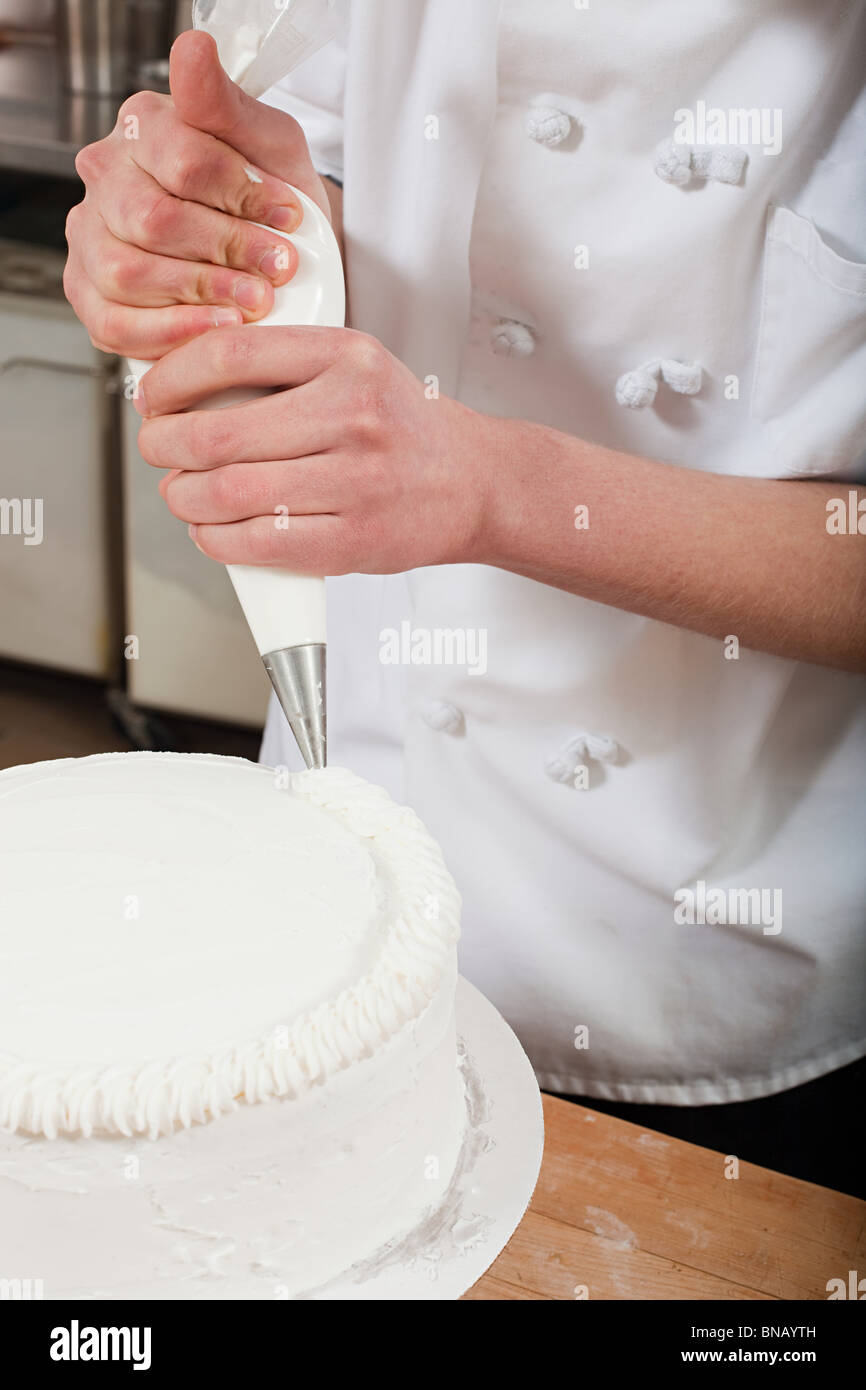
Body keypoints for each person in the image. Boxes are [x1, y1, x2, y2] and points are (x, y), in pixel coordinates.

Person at [64, 4, 866, 1194]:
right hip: (348, 860)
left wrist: (496, 486)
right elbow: (324, 170)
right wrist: (223, 229)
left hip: (721, 954)